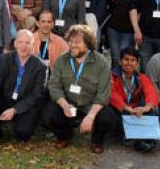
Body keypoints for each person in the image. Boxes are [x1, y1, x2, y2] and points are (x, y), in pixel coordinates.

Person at [45, 25, 117, 154]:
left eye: (77, 42)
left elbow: (103, 94)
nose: (72, 45)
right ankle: (64, 136)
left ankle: (97, 141)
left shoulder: (101, 63)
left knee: (109, 119)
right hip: (69, 103)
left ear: (88, 44)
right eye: (70, 41)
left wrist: (91, 116)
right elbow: (54, 86)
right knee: (48, 115)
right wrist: (65, 105)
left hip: (91, 104)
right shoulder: (62, 60)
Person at [0, 30, 48, 141]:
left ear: (33, 45)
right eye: (20, 42)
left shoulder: (40, 66)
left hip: (24, 103)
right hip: (6, 98)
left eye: (27, 43)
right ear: (15, 44)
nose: (23, 46)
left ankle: (19, 124)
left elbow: (36, 94)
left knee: (23, 132)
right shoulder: (5, 59)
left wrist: (15, 110)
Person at [109, 47, 160, 152]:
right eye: (126, 59)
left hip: (135, 112)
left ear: (137, 63)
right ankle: (137, 138)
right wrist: (126, 108)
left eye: (132, 60)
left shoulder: (141, 77)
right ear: (120, 61)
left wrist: (146, 107)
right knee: (109, 113)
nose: (129, 63)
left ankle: (142, 140)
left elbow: (152, 93)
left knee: (154, 109)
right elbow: (111, 94)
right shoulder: (112, 76)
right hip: (120, 110)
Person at [106, 0, 139, 67]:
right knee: (115, 57)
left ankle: (125, 81)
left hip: (129, 29)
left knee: (125, 56)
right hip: (113, 27)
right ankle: (115, 82)